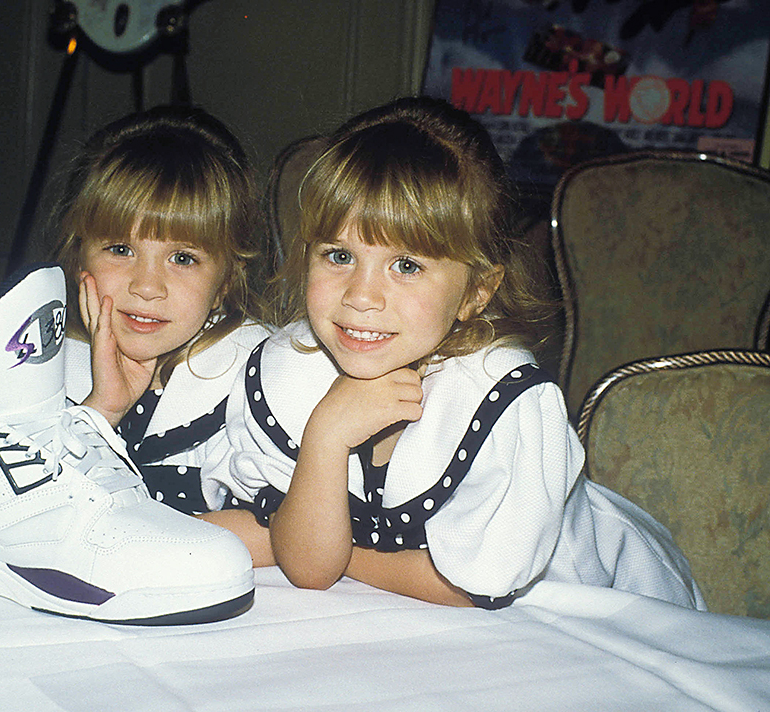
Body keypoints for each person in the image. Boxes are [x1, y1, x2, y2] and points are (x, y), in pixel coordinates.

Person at [203, 96, 705, 610]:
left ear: (476, 292)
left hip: (604, 607)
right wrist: (326, 436)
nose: (360, 296)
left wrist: (340, 550)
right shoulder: (290, 368)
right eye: (339, 255)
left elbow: (469, 588)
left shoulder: (504, 395)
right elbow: (310, 569)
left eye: (406, 266)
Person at [51, 105, 270, 517]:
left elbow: (279, 535)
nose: (147, 287)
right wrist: (102, 410)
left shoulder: (256, 376)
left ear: (226, 279)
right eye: (120, 249)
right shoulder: (39, 371)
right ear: (79, 258)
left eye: (183, 258)